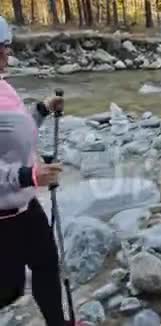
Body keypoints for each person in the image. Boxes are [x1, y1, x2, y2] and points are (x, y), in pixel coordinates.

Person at [0, 16, 70, 326]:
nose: (7, 55)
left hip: (26, 207)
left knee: (46, 265)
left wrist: (41, 110)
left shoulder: (3, 87)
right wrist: (29, 176)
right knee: (8, 289)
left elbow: (14, 135)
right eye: (2, 48)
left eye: (6, 47)